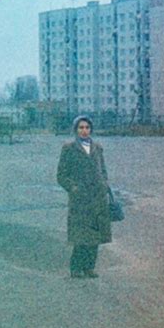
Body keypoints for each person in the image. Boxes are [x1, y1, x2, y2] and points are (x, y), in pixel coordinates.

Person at [57, 115, 111, 279]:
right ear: (75, 130)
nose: (84, 131)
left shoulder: (98, 147)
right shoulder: (69, 148)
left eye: (87, 128)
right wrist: (73, 188)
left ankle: (89, 268)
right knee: (80, 235)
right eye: (81, 128)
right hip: (80, 199)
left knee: (94, 235)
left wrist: (104, 186)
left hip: (97, 198)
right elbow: (61, 175)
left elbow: (103, 170)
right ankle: (76, 268)